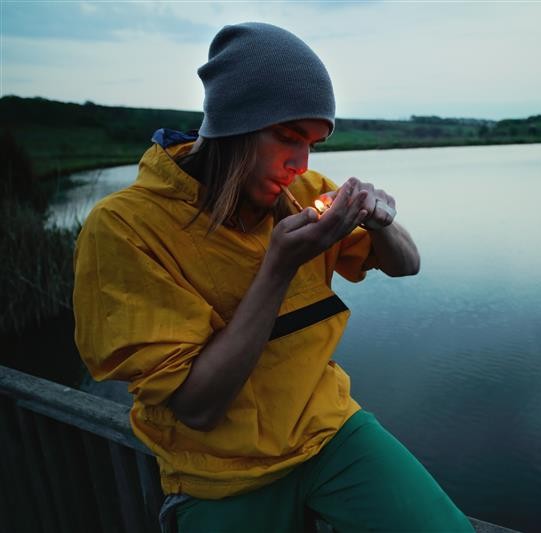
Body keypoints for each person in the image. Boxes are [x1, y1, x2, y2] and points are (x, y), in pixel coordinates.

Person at [73, 22, 473, 533]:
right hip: (218, 472)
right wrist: (278, 267)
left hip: (328, 430)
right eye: (287, 137)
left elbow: (406, 264)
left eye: (313, 144)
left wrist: (381, 220)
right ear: (233, 127)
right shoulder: (124, 228)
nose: (300, 164)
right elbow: (198, 407)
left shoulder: (303, 192)